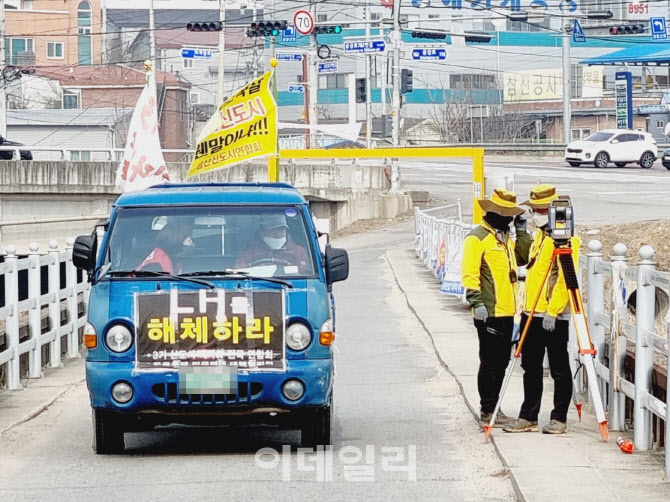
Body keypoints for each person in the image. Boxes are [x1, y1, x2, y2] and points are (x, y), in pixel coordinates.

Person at [503, 185, 580, 435]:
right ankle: (529, 416)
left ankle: (559, 418)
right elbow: (528, 263)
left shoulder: (568, 239)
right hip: (531, 312)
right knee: (531, 366)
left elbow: (564, 279)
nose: (535, 215)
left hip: (551, 315)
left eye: (539, 211)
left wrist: (554, 311)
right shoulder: (539, 237)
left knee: (558, 367)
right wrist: (521, 231)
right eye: (533, 210)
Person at [461, 188, 531, 428]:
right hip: (489, 313)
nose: (509, 219)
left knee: (500, 362)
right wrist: (476, 302)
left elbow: (523, 258)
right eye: (506, 215)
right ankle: (488, 408)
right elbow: (470, 275)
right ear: (493, 213)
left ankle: (493, 407)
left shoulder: (504, 239)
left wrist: (522, 232)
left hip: (507, 311)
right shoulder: (477, 238)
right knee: (490, 362)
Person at [236, 214, 310, 274]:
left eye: (282, 229)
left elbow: (307, 276)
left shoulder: (298, 251)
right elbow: (239, 275)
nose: (279, 234)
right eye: (273, 230)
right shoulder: (249, 253)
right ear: (262, 233)